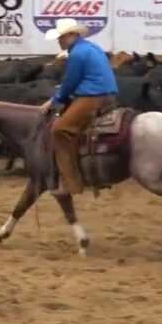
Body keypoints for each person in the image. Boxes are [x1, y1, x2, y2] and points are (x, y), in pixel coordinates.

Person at [40, 18, 118, 196]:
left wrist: (54, 99)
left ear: (72, 35)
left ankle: (71, 183)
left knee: (59, 130)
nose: (59, 41)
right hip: (106, 93)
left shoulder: (77, 54)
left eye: (61, 37)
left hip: (92, 96)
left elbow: (71, 81)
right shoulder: (91, 48)